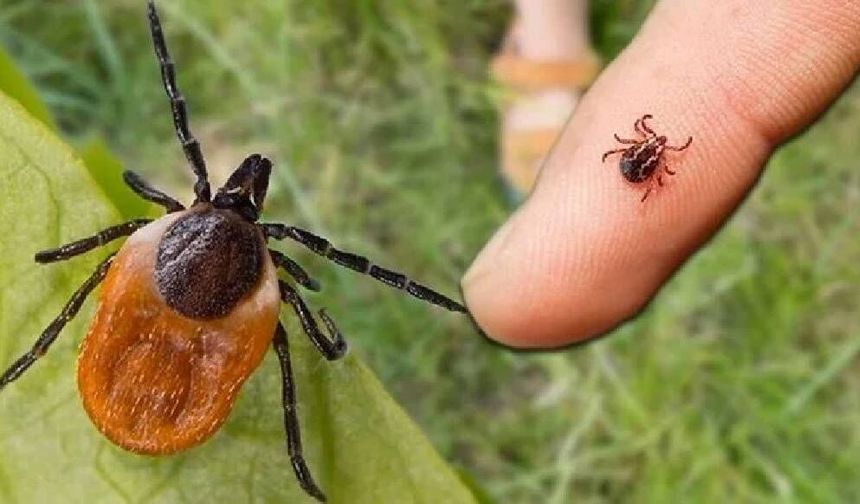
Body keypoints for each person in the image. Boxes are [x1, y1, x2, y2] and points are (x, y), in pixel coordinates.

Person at [464, 0, 860, 348]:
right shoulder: (653, 153)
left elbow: (630, 148)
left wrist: (640, 157)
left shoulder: (644, 148)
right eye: (652, 143)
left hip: (628, 168)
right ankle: (546, 30)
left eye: (652, 145)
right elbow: (643, 157)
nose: (653, 146)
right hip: (631, 170)